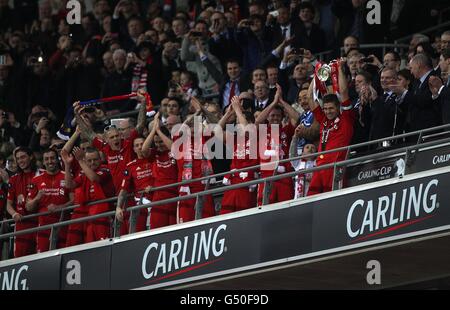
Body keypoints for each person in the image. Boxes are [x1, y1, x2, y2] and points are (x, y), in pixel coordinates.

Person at [74, 89, 148, 194]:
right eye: (112, 137)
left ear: (120, 135)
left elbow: (140, 125)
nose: (115, 139)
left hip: (135, 190)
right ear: (107, 140)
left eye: (117, 136)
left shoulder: (128, 143)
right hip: (119, 193)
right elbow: (88, 134)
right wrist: (77, 114)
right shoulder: (105, 147)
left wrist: (143, 102)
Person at [307, 60, 355, 195]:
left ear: (338, 107)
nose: (328, 111)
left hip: (335, 168)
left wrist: (339, 68)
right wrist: (316, 75)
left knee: (333, 201)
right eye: (326, 109)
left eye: (331, 108)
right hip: (319, 168)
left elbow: (344, 92)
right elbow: (310, 98)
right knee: (310, 201)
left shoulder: (346, 118)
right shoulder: (323, 120)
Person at [255, 85, 299, 205]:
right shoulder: (263, 131)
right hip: (266, 177)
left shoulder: (286, 130)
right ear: (268, 118)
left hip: (285, 177)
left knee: (286, 209)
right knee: (264, 210)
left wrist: (282, 101)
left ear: (282, 117)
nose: (275, 118)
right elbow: (258, 121)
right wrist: (273, 102)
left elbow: (297, 118)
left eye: (278, 116)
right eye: (272, 116)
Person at [62, 147, 115, 243]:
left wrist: (81, 161)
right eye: (89, 160)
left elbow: (94, 178)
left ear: (100, 160)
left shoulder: (105, 169)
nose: (92, 163)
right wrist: (67, 164)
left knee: (103, 245)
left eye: (95, 160)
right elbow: (69, 185)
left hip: (104, 215)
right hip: (89, 215)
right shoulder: (84, 173)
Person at [25, 148, 73, 253]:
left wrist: (60, 207)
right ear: (43, 162)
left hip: (64, 224)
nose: (50, 161)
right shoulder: (36, 180)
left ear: (57, 159)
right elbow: (28, 207)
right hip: (44, 227)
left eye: (52, 158)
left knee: (64, 255)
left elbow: (74, 200)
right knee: (43, 256)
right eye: (46, 159)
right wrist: (37, 198)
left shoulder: (66, 176)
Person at [218, 97, 259, 214]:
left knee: (244, 218)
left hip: (247, 184)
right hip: (232, 184)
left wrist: (237, 110)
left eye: (239, 122)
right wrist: (228, 113)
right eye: (236, 123)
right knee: (226, 217)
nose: (237, 125)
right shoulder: (235, 139)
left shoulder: (256, 135)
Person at [142, 114, 179, 229]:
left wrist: (159, 131)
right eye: (156, 143)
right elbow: (144, 150)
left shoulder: (175, 150)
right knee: (158, 230)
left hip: (174, 196)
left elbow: (174, 149)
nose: (158, 145)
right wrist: (153, 130)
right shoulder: (155, 153)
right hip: (158, 198)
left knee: (174, 230)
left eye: (161, 142)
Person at [6, 147, 40, 257]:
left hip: (40, 221)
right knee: (21, 258)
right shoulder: (14, 179)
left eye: (23, 157)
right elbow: (8, 204)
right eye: (18, 158)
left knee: (40, 257)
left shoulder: (41, 174)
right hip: (22, 225)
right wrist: (14, 213)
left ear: (31, 157)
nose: (20, 160)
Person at [115, 136, 152, 235]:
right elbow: (123, 190)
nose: (140, 147)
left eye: (142, 144)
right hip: (141, 205)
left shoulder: (154, 158)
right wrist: (118, 207)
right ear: (134, 149)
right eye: (137, 145)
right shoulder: (130, 166)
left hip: (158, 199)